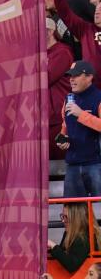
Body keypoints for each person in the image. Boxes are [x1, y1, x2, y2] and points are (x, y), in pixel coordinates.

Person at [57, 60, 101, 198]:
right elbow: (65, 125)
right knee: (73, 212)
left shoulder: (99, 98)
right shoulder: (68, 99)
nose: (71, 79)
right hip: (72, 165)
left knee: (99, 210)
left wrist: (81, 114)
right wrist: (62, 139)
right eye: (70, 76)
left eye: (76, 75)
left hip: (96, 164)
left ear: (89, 77)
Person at [48, 18, 74, 161]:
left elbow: (46, 78)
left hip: (58, 116)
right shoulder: (39, 54)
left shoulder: (62, 52)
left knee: (59, 160)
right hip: (45, 116)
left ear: (50, 31)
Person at [49, 202, 98, 273]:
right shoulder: (69, 233)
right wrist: (51, 249)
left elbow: (72, 265)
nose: (63, 221)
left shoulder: (85, 237)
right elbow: (62, 253)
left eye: (66, 217)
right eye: (62, 216)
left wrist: (53, 246)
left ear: (77, 219)